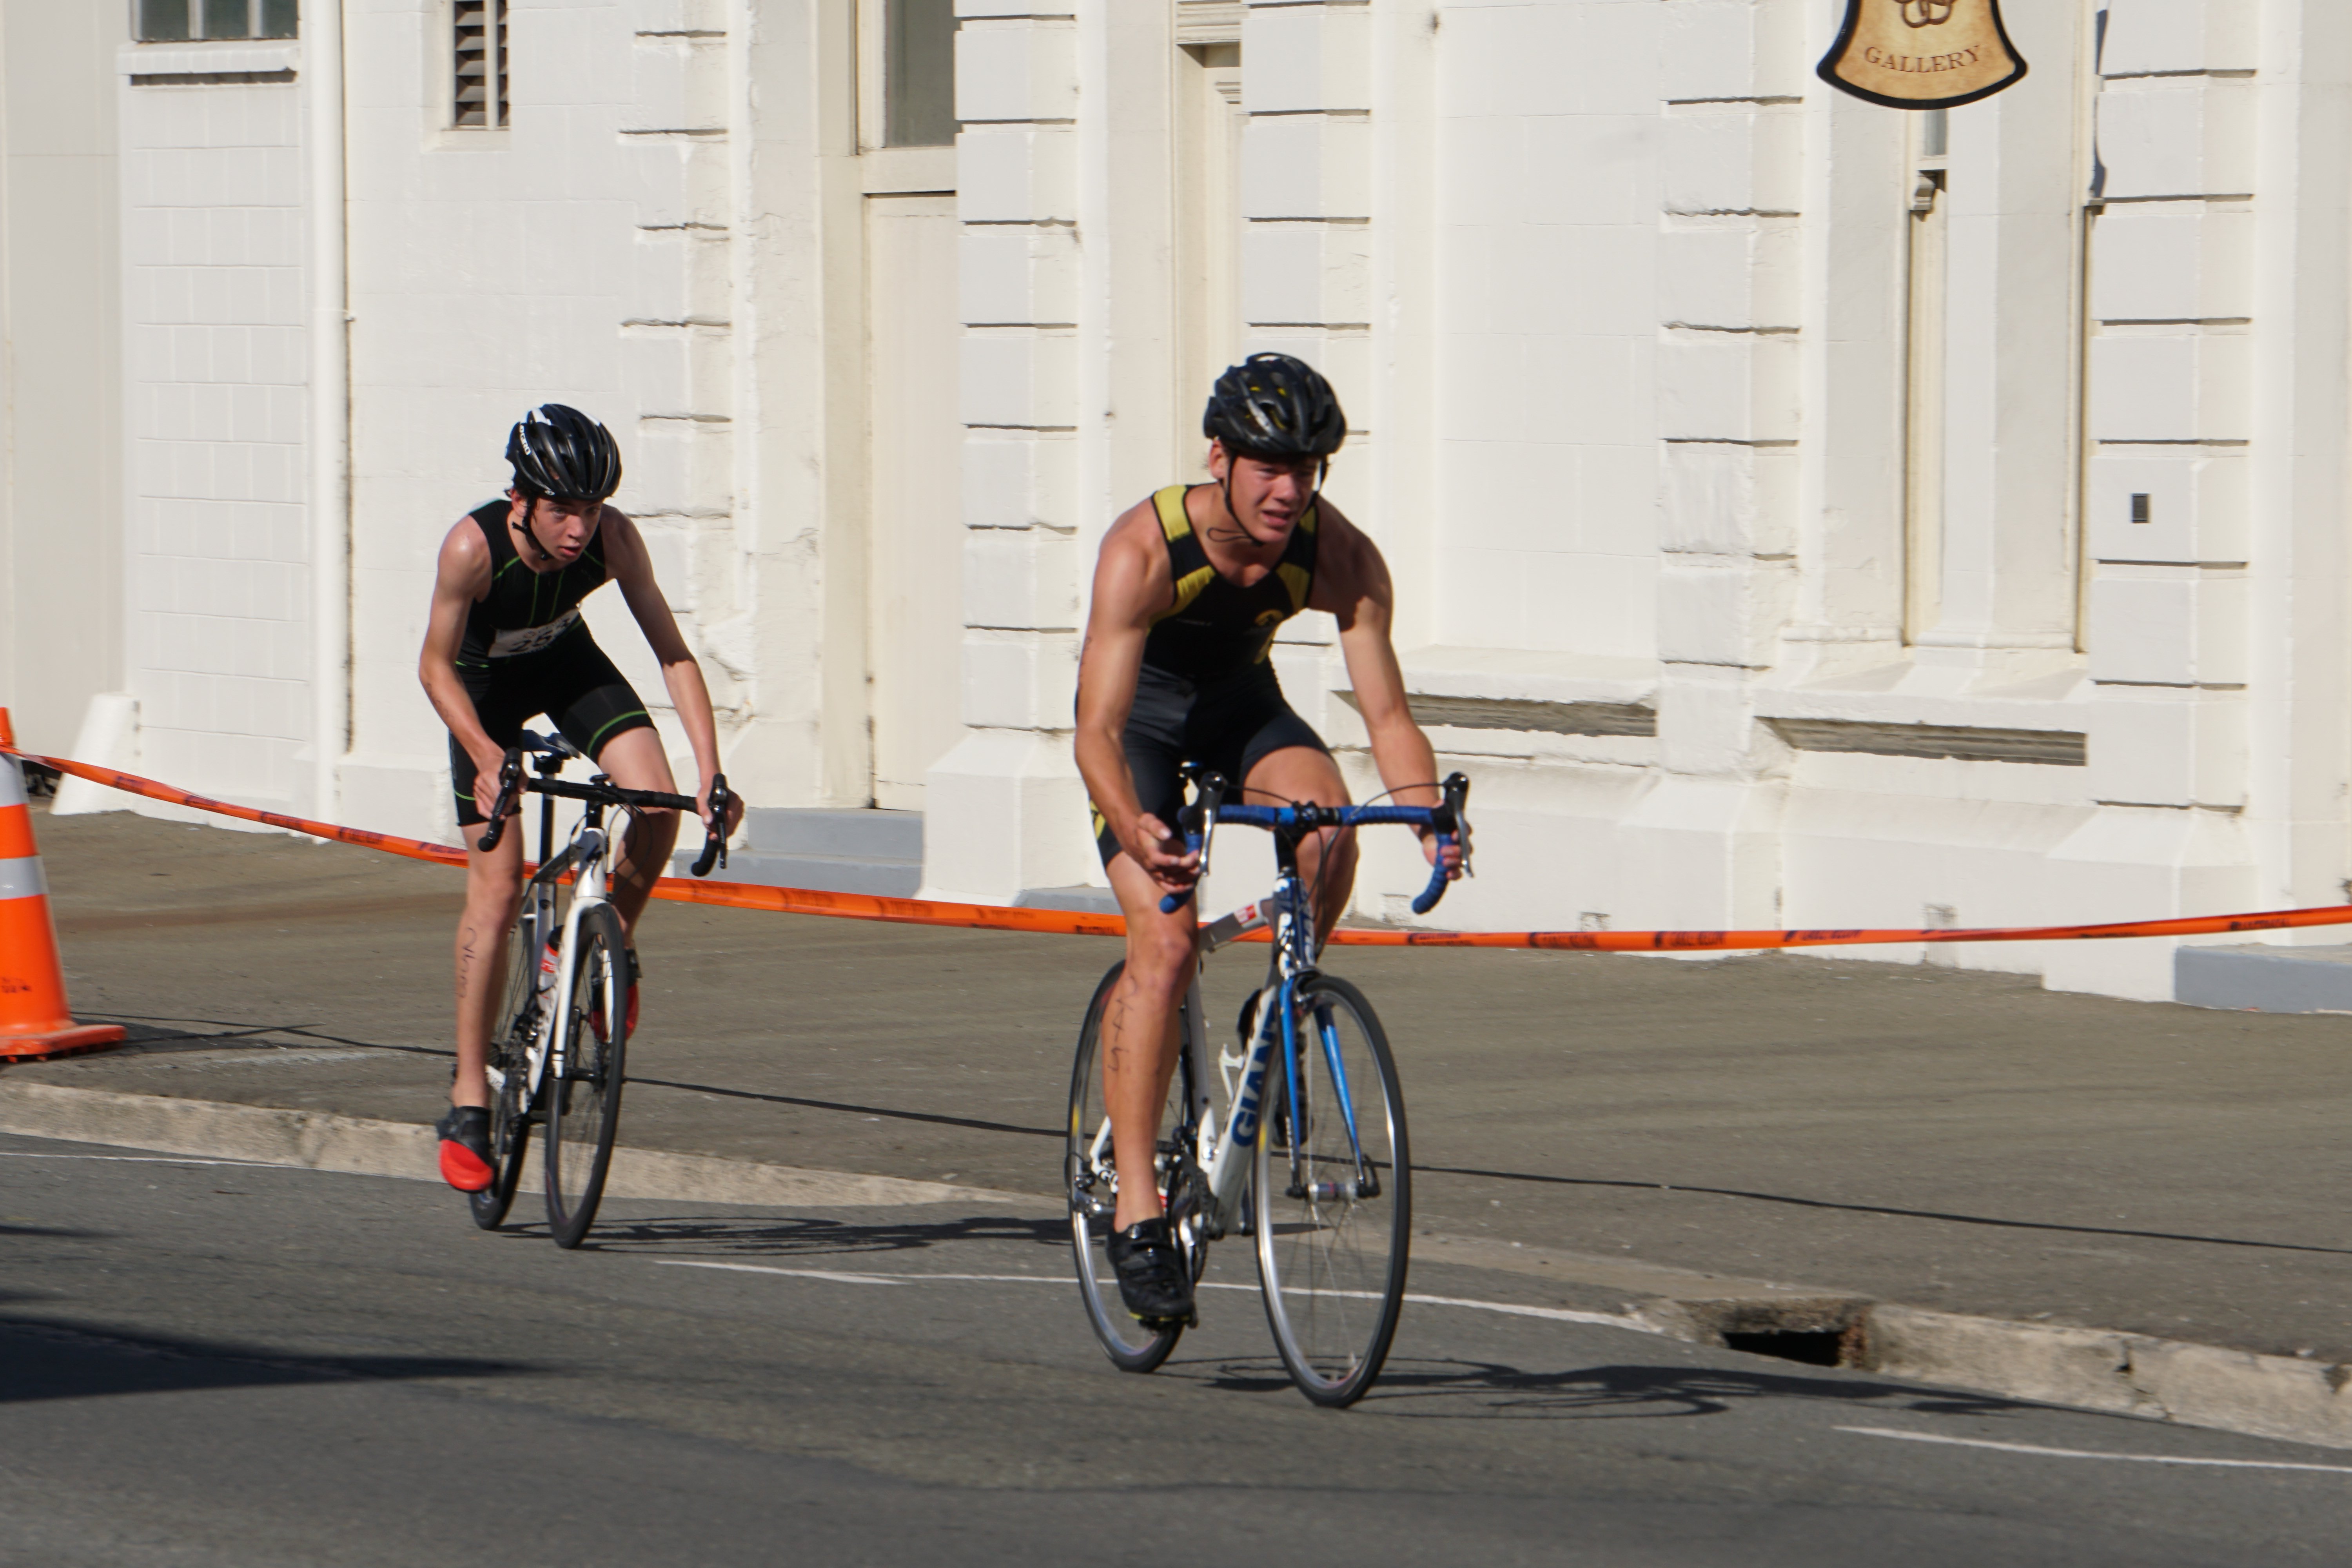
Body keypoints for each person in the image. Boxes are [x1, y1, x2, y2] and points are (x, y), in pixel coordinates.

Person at [1073, 354, 1462, 1325]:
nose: (1291, 490)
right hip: (1141, 738)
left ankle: (1275, 1012)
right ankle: (1136, 1212)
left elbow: (1386, 711)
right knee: (1163, 941)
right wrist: (1134, 824)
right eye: (1270, 467)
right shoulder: (1144, 548)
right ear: (1221, 457)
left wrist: (1426, 815)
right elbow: (1095, 730)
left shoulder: (1342, 555)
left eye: (1310, 469)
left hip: (1243, 710)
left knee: (1329, 831)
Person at [418, 404, 743, 1191]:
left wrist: (712, 771)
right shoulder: (472, 547)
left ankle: (601, 946)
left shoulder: (613, 539)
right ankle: (469, 1094)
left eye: (591, 509)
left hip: (565, 665)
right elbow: (433, 665)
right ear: (522, 499)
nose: (578, 528)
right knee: (496, 889)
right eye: (563, 509)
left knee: (658, 804)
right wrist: (489, 756)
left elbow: (672, 650)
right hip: (482, 695)